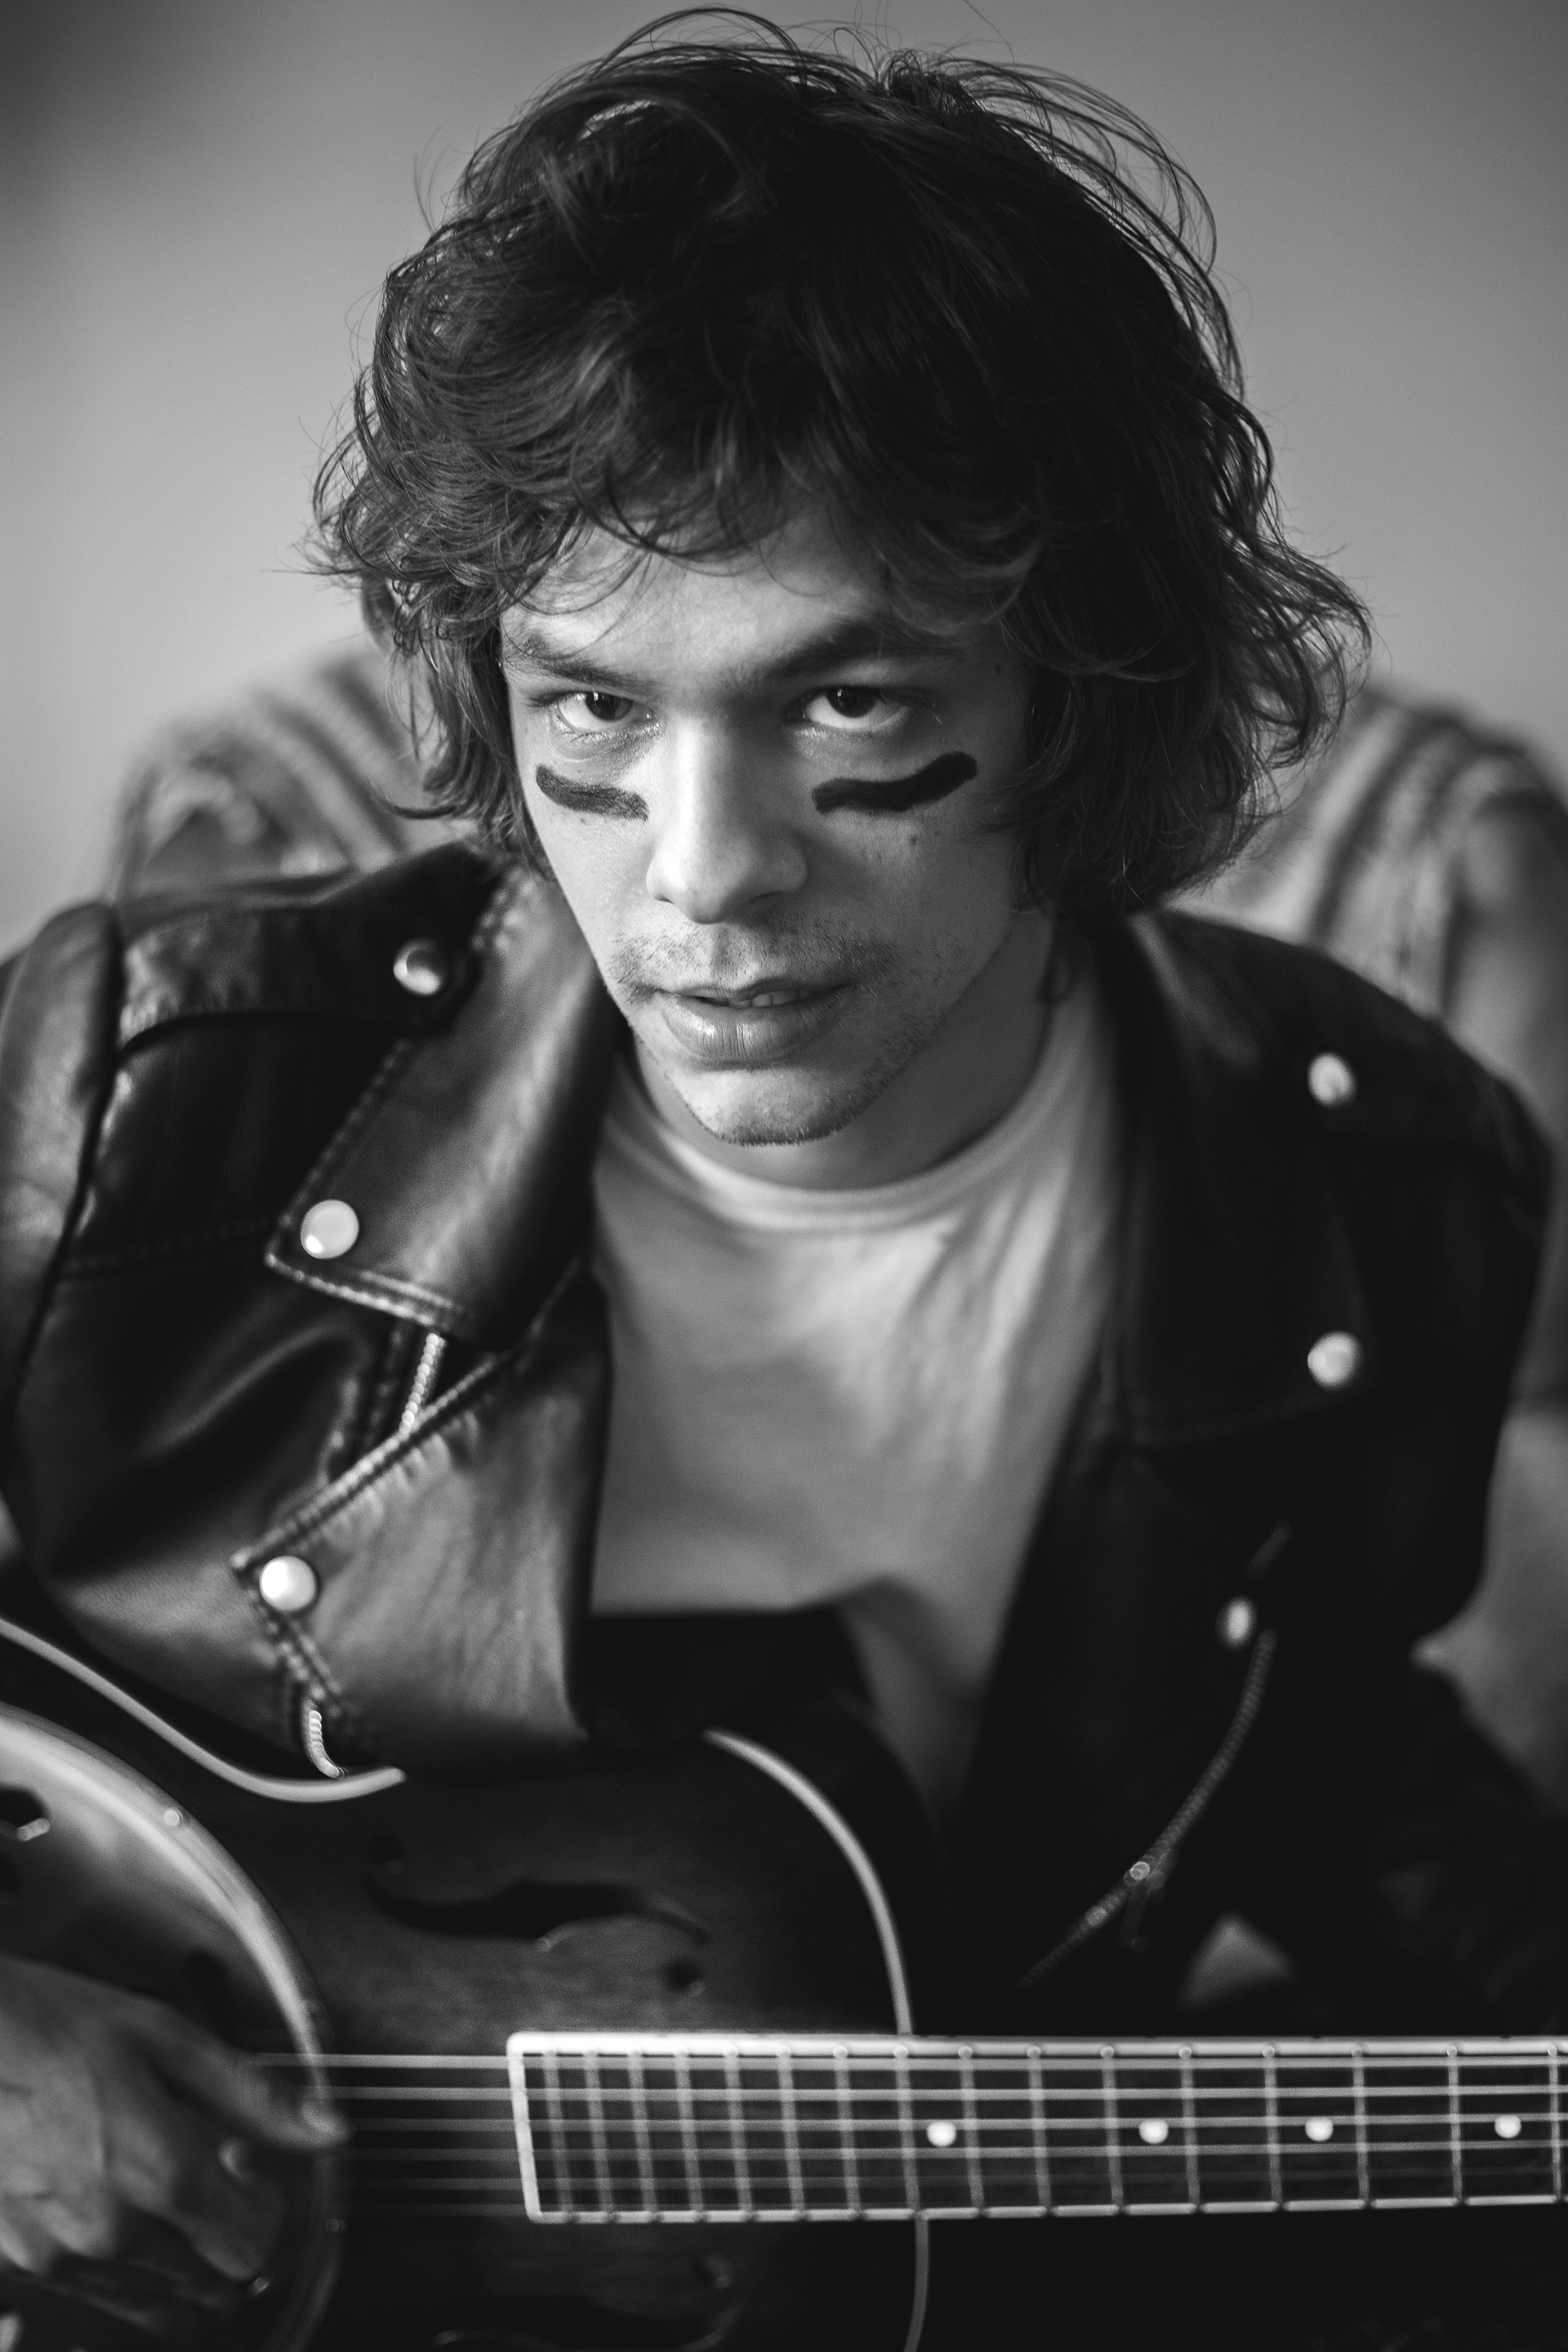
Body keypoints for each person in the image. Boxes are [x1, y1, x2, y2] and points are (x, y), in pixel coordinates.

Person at [1, 17, 1566, 2341]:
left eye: (849, 703)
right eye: (597, 708)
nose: (702, 878)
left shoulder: (1383, 1190)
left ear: (1080, 694)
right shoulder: (150, 1089)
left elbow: (1309, 1733)